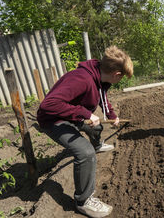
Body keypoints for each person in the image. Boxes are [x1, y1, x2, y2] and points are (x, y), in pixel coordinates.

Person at [37, 45, 133, 217]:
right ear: (116, 74)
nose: (121, 80)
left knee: (97, 127)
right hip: (53, 120)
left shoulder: (100, 77)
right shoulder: (82, 79)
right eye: (122, 78)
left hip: (70, 115)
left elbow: (102, 96)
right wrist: (85, 113)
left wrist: (111, 114)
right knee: (85, 153)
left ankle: (97, 145)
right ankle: (84, 201)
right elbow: (48, 105)